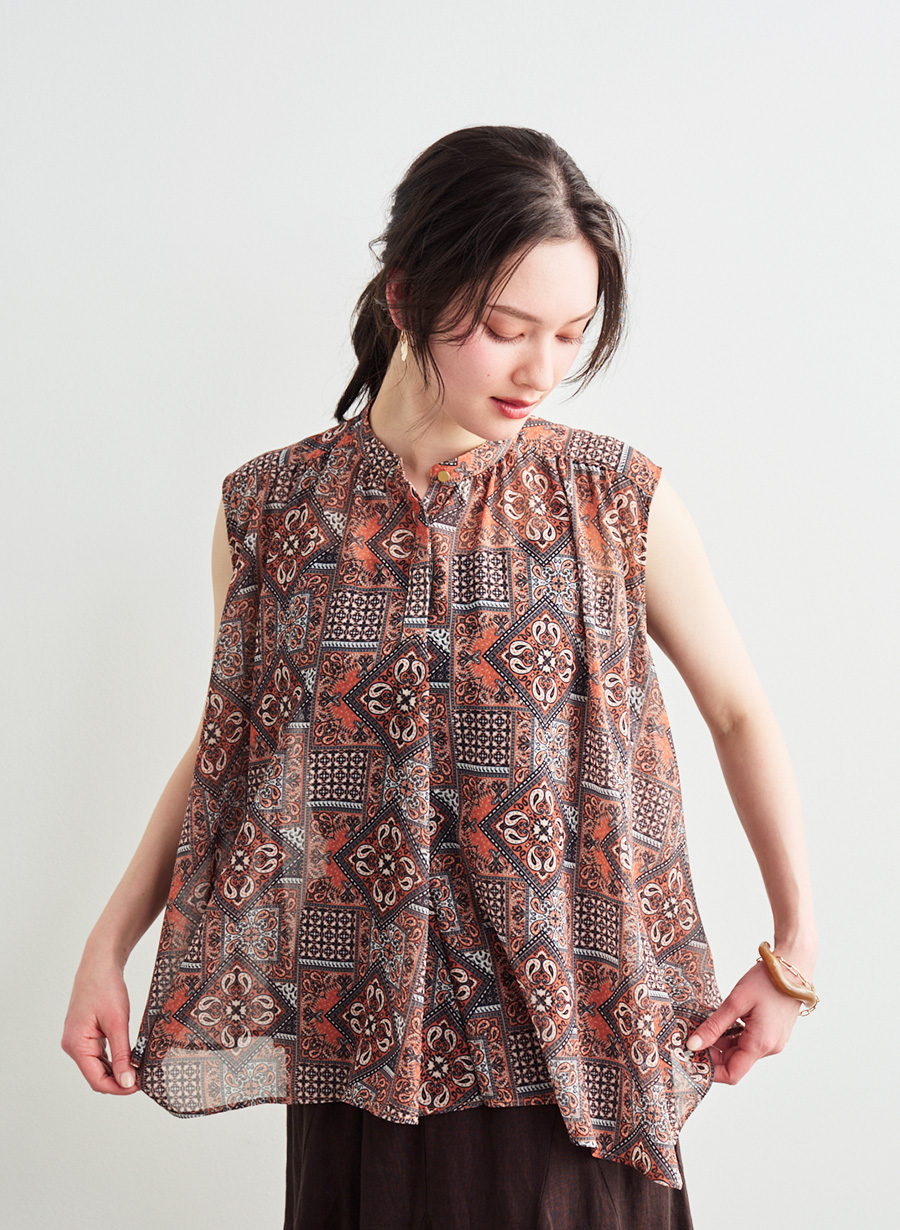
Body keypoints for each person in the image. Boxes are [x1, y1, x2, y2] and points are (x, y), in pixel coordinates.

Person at [62, 125, 819, 1229]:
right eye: (507, 330)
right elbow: (231, 745)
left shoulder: (612, 500)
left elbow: (739, 711)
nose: (540, 371)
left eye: (570, 334)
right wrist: (107, 944)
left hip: (577, 1052)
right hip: (363, 1055)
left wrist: (794, 950)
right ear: (406, 296)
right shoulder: (272, 513)